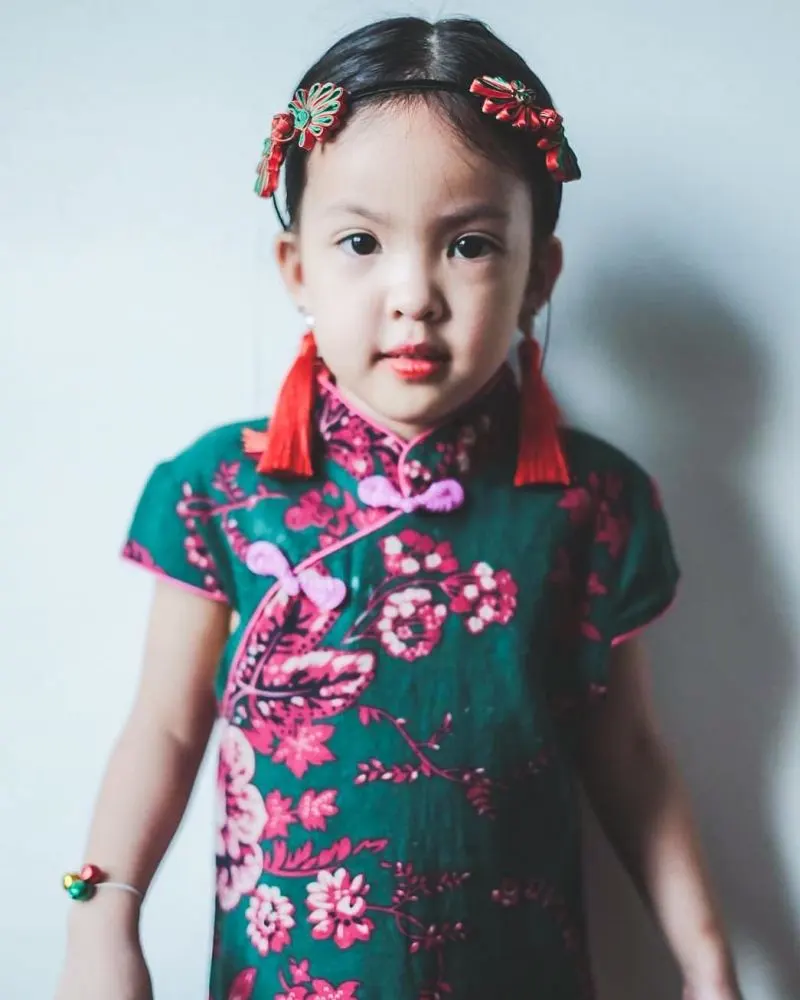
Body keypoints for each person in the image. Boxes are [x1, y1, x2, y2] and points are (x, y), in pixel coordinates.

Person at [55, 15, 742, 1000]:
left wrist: (709, 958)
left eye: (468, 244)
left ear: (537, 274)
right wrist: (101, 917)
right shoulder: (221, 491)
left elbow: (626, 751)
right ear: (297, 268)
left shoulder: (593, 502)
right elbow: (163, 728)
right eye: (360, 242)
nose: (413, 293)